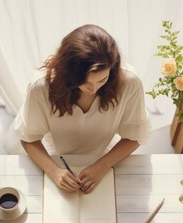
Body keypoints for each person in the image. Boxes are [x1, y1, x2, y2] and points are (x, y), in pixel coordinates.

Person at [13, 24, 150, 194]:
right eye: (84, 82)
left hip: (106, 154)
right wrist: (54, 171)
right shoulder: (40, 87)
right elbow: (29, 138)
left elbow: (135, 136)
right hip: (55, 155)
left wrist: (103, 165)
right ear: (66, 73)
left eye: (102, 80)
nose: (93, 90)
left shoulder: (130, 83)